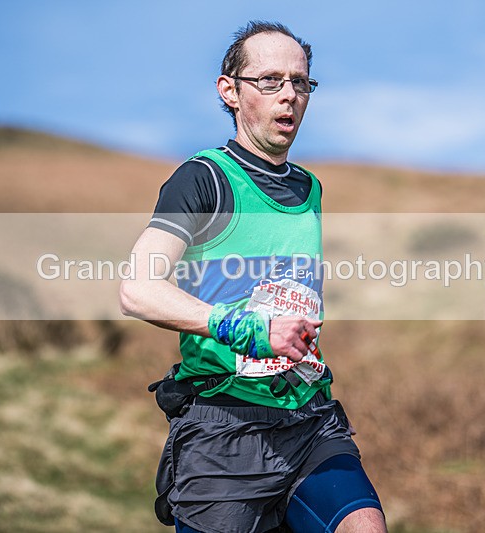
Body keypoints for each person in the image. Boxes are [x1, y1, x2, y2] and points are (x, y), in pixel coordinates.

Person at [120, 20, 386, 533]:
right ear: (231, 91)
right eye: (269, 81)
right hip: (225, 431)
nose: (289, 96)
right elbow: (137, 290)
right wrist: (253, 331)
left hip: (308, 418)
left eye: (300, 82)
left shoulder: (310, 189)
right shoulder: (204, 179)